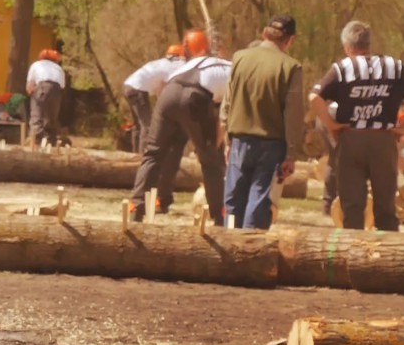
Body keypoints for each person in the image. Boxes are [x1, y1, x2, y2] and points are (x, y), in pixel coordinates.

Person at [309, 20, 404, 231]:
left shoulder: (342, 68)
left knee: (352, 208)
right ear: (369, 44)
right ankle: (387, 258)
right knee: (386, 208)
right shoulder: (394, 66)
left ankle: (353, 258)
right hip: (383, 140)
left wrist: (331, 125)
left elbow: (314, 97)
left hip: (351, 139)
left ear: (347, 47)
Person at [129, 29, 231, 224]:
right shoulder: (231, 68)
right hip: (195, 96)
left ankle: (137, 205)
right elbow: (226, 111)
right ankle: (219, 215)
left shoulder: (189, 64)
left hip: (169, 95)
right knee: (211, 160)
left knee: (153, 153)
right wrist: (218, 142)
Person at [220, 14, 305, 230]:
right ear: (290, 40)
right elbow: (293, 114)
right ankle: (250, 253)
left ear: (264, 33)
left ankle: (229, 249)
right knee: (258, 204)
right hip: (271, 145)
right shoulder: (291, 67)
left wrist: (227, 137)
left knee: (233, 201)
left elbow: (227, 101)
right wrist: (291, 153)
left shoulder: (239, 57)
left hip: (239, 140)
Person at [122, 43, 186, 153]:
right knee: (148, 126)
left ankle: (134, 154)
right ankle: (142, 157)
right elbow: (164, 87)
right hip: (138, 88)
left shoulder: (160, 63)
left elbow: (160, 88)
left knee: (138, 125)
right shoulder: (180, 65)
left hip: (128, 85)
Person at [26, 48, 66, 148]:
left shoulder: (36, 65)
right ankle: (51, 142)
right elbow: (62, 86)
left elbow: (30, 86)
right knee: (51, 118)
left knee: (37, 116)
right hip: (57, 90)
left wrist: (32, 94)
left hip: (42, 86)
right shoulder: (59, 68)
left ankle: (36, 142)